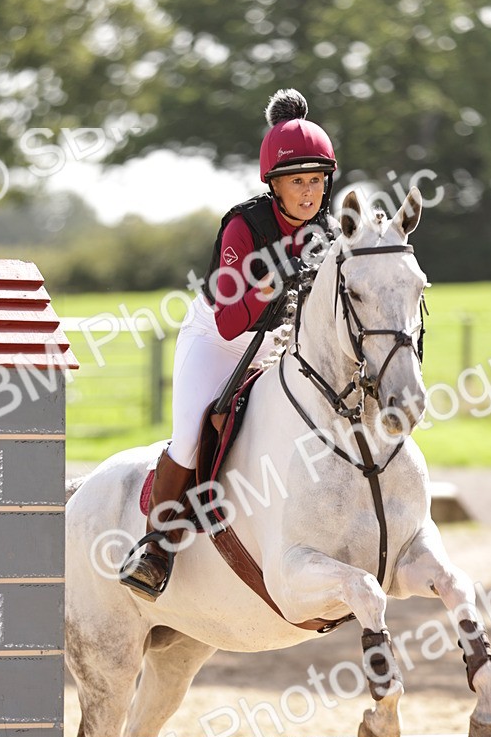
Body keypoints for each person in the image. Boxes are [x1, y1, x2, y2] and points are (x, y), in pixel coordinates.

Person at [120, 88, 338, 600]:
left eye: (316, 181)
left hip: (274, 341)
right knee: (192, 435)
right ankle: (157, 546)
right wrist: (277, 277)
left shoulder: (327, 231)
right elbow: (229, 321)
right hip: (217, 339)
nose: (309, 193)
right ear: (274, 185)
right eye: (297, 182)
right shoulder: (245, 226)